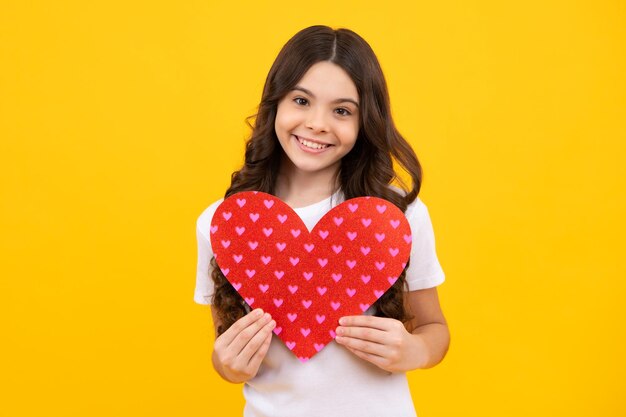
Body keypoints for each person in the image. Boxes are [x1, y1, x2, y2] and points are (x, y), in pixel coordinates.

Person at [194, 25, 450, 417]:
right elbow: (225, 349)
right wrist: (226, 365)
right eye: (301, 100)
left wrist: (414, 350)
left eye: (342, 110)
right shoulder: (224, 223)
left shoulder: (396, 216)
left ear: (366, 122)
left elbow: (435, 329)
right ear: (275, 104)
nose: (317, 123)